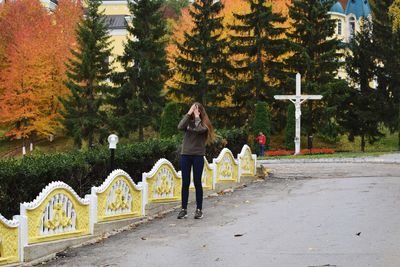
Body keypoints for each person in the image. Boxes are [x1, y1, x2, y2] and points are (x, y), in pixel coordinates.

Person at [177, 102, 215, 219]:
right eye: (193, 109)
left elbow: (198, 130)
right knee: (185, 183)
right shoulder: (188, 122)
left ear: (201, 111)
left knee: (197, 182)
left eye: (197, 109)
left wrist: (198, 117)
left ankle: (199, 209)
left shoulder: (205, 125)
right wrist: (188, 113)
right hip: (186, 155)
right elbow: (180, 126)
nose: (194, 111)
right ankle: (184, 209)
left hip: (198, 155)